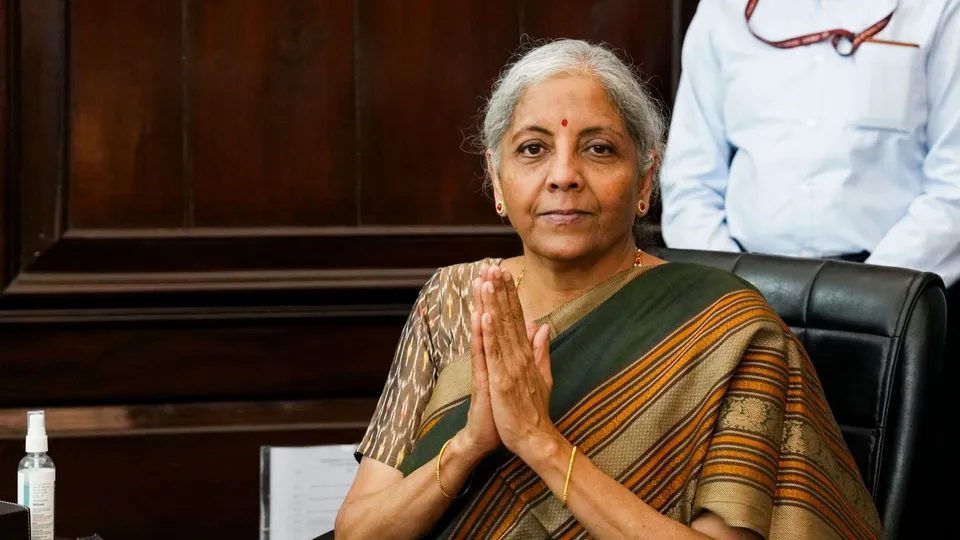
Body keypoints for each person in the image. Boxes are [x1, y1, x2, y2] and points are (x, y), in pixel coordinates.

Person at [333, 40, 882, 540]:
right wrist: (469, 446)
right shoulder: (453, 299)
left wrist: (539, 442)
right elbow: (358, 533)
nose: (564, 174)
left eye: (598, 149)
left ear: (645, 180)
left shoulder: (730, 332)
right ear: (497, 179)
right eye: (532, 149)